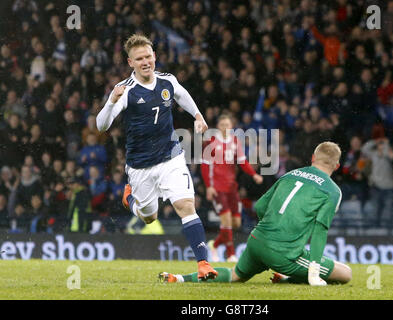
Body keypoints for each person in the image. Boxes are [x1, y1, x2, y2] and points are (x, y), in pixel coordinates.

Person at [96, 34, 216, 280]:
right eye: (139, 59)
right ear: (131, 62)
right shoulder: (125, 91)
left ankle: (203, 263)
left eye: (148, 56)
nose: (145, 62)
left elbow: (181, 95)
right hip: (140, 167)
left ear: (155, 57)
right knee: (150, 217)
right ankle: (130, 199)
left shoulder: (167, 81)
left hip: (171, 158)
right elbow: (101, 126)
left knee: (186, 205)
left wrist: (198, 116)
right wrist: (110, 101)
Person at [160, 142, 352, 286]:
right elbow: (320, 231)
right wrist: (313, 272)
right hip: (283, 253)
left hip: (256, 240)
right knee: (346, 273)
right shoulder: (332, 191)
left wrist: (273, 226)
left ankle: (178, 278)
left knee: (235, 275)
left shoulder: (289, 174)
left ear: (312, 158)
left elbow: (260, 206)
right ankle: (287, 278)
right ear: (336, 166)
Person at [201, 113, 263, 262]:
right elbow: (205, 166)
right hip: (217, 187)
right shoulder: (211, 142)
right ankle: (231, 254)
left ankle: (214, 245)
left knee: (236, 222)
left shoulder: (235, 141)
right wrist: (209, 186)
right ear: (218, 126)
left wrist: (253, 174)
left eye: (227, 125)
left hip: (231, 187)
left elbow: (242, 162)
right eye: (222, 125)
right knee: (226, 219)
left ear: (231, 127)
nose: (225, 128)